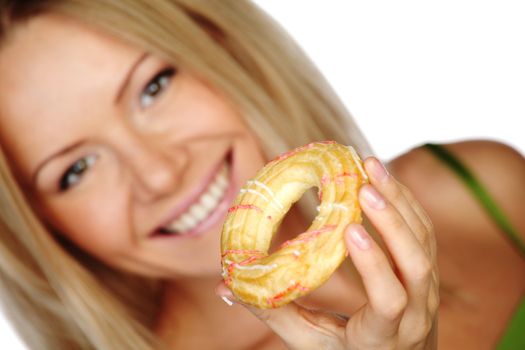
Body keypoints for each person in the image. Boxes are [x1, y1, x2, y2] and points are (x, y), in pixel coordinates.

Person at [0, 1, 522, 349]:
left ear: (222, 48)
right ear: (42, 224)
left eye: (152, 88)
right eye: (76, 170)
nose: (159, 174)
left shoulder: (478, 187)